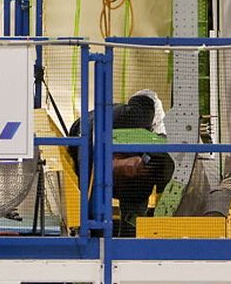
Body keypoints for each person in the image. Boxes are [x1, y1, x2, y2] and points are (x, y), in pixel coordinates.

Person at [69, 91, 175, 237]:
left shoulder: (136, 187)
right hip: (97, 129)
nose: (134, 167)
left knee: (134, 207)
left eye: (136, 170)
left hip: (106, 147)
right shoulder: (134, 118)